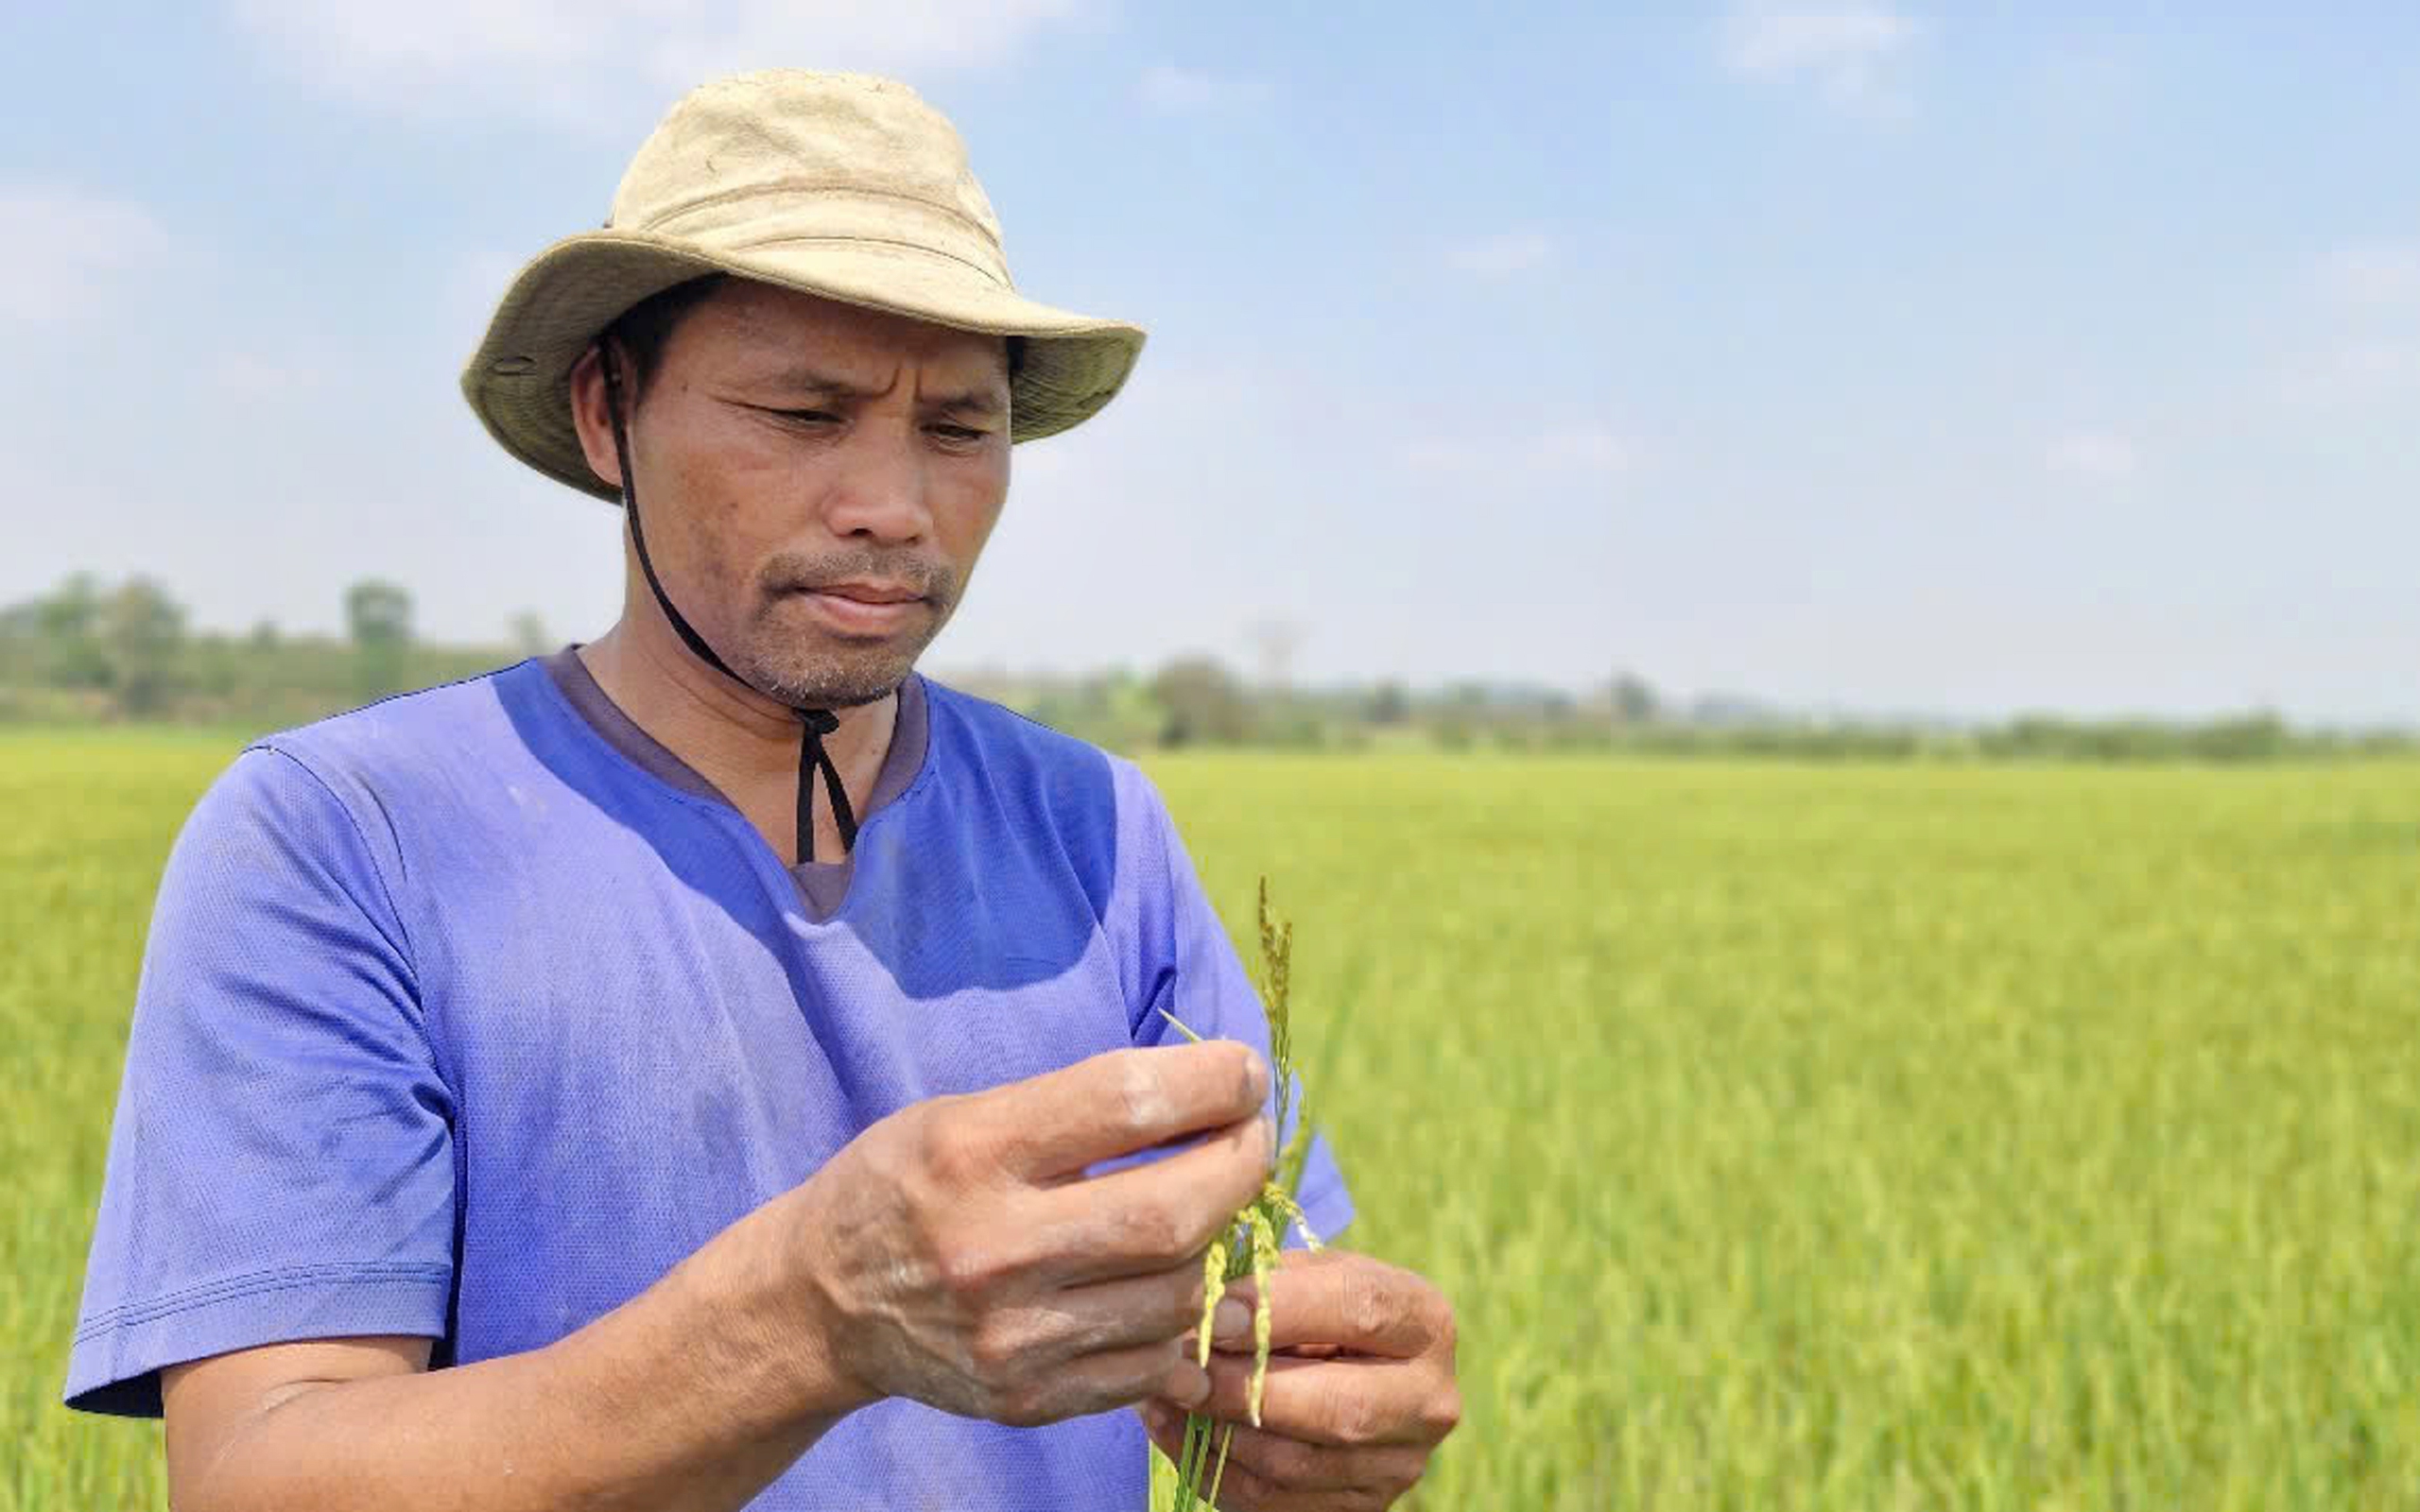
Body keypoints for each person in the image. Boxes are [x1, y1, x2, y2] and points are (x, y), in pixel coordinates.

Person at [62, 69, 1460, 1511]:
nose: (894, 504)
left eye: (959, 430)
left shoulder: (1099, 831)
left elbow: (1265, 1346)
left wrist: (1326, 1424)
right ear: (610, 413)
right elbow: (257, 1476)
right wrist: (807, 1318)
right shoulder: (343, 839)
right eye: (804, 413)